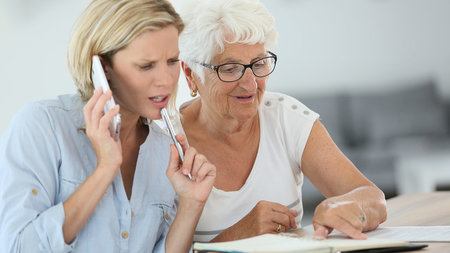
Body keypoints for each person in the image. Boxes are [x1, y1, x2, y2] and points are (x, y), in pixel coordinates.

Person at [0, 0, 215, 252]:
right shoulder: (41, 127)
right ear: (103, 68)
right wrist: (105, 170)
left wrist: (191, 205)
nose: (166, 80)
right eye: (146, 65)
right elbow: (17, 247)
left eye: (171, 61)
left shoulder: (166, 150)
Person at [176, 0, 387, 243]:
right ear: (191, 75)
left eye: (258, 63)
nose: (251, 84)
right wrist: (238, 236)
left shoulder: (287, 117)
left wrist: (345, 208)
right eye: (230, 68)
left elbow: (374, 199)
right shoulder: (165, 143)